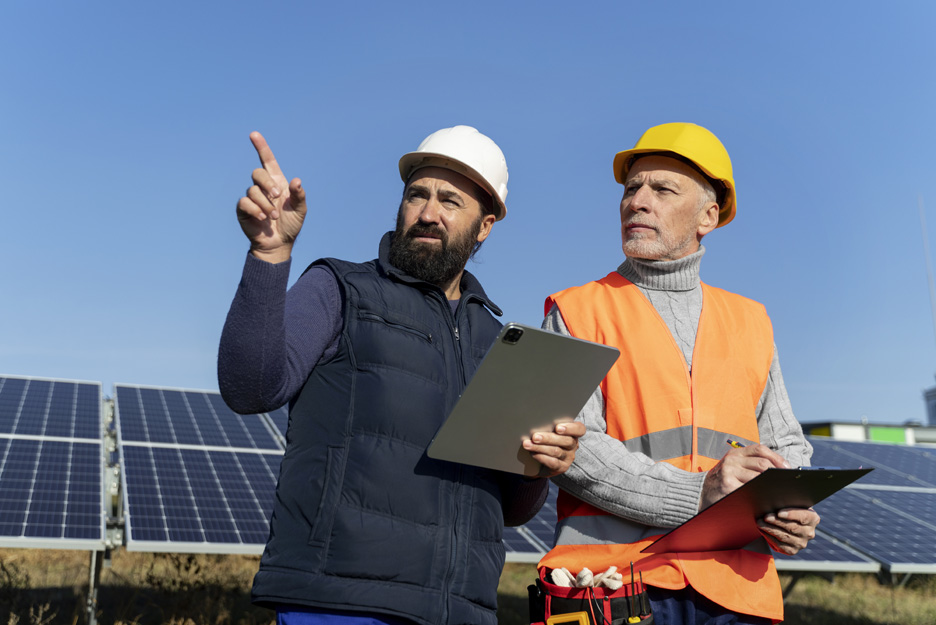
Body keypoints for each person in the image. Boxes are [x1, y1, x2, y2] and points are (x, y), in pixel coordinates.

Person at [218, 125, 586, 625]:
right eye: (418, 194)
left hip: (462, 611)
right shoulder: (340, 289)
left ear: (486, 226)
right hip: (339, 605)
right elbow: (250, 387)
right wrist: (269, 254)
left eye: (450, 201)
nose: (428, 213)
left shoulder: (498, 343)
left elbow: (511, 509)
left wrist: (539, 466)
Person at [536, 123, 818, 625]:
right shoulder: (577, 310)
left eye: (662, 189)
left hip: (738, 593)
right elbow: (572, 451)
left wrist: (788, 509)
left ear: (709, 215)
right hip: (610, 587)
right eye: (631, 189)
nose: (637, 202)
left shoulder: (751, 320)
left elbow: (787, 446)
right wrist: (700, 495)